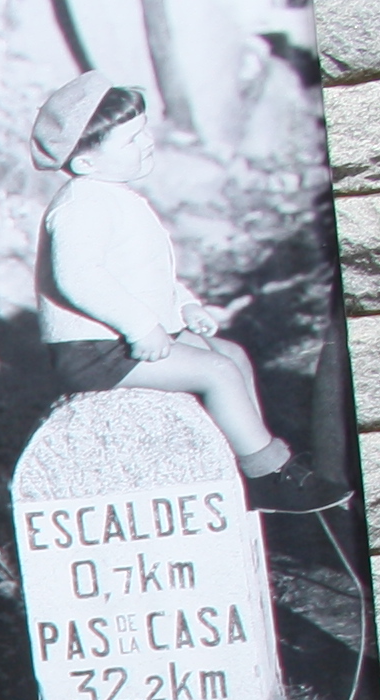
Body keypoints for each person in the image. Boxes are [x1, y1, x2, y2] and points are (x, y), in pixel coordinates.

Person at [29, 71, 291, 482]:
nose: (147, 142)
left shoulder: (112, 196)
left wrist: (184, 304)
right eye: (131, 140)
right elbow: (79, 278)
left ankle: (236, 460)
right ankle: (270, 473)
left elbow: (144, 273)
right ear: (85, 162)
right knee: (217, 372)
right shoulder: (81, 205)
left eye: (144, 130)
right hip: (96, 352)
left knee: (232, 356)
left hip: (121, 337)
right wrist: (141, 327)